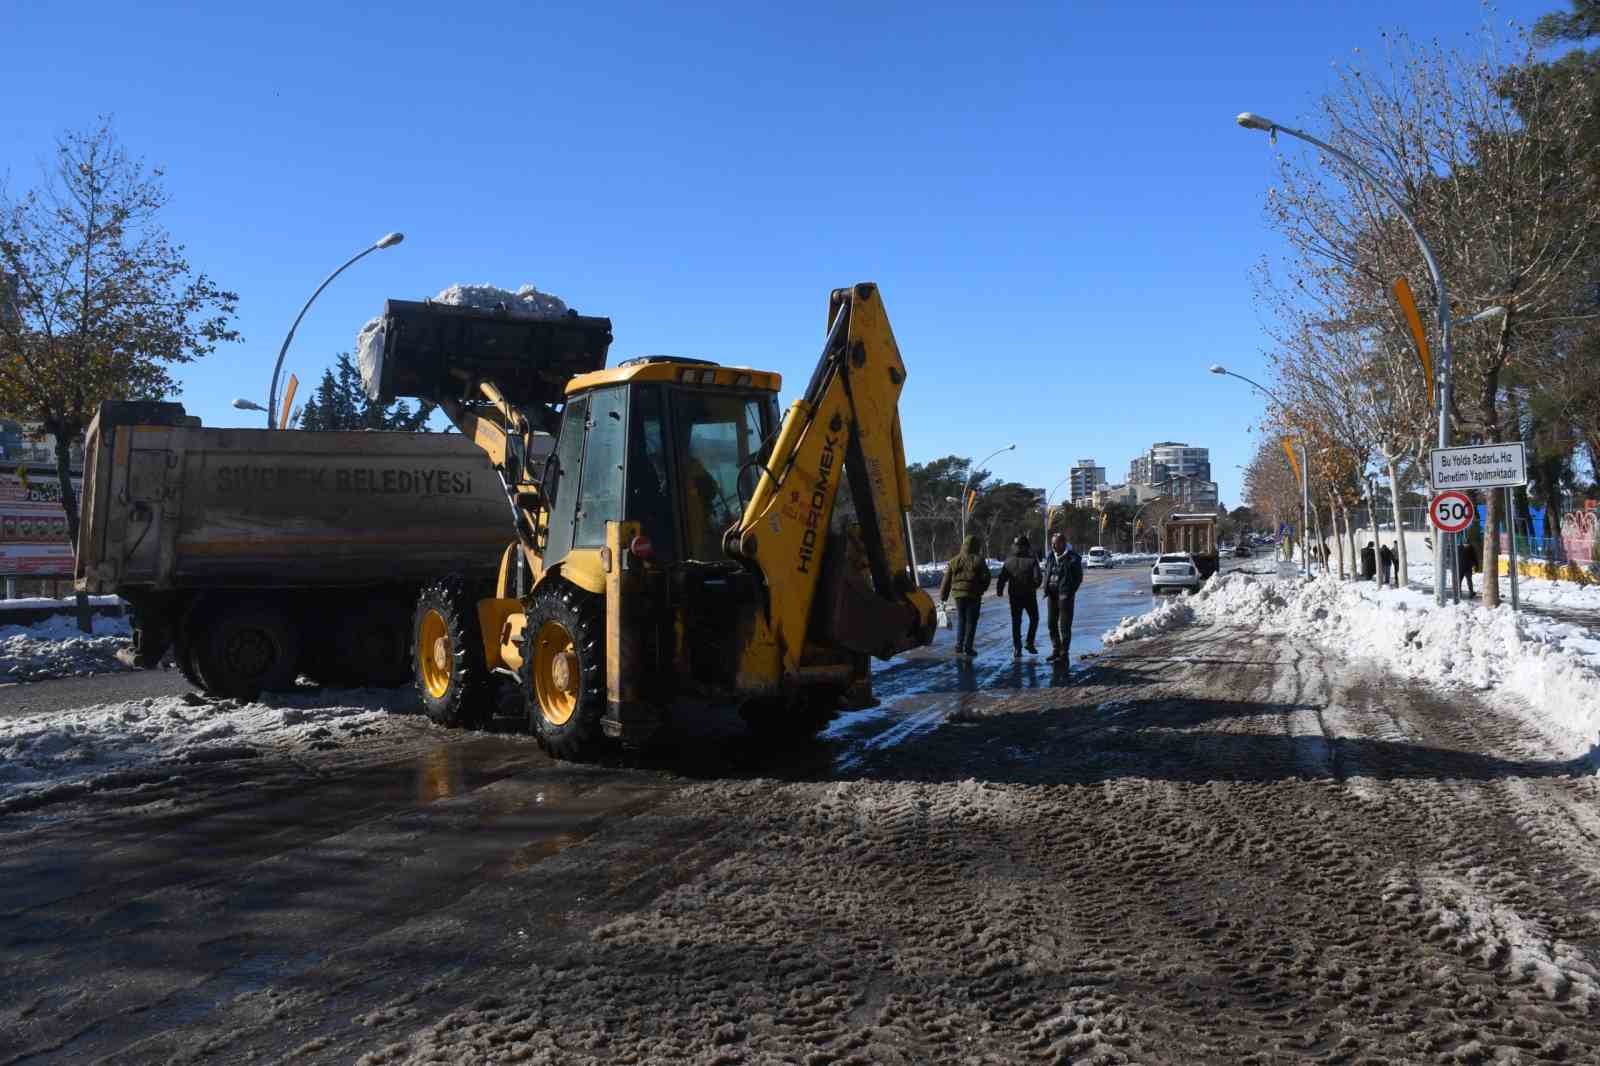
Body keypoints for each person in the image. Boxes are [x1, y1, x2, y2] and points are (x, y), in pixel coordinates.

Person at [939, 534, 991, 659]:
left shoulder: (954, 561)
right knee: (971, 622)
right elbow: (986, 577)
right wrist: (981, 589)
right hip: (973, 595)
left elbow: (946, 580)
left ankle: (958, 645)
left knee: (962, 620)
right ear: (976, 546)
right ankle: (968, 647)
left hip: (958, 595)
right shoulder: (979, 560)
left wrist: (943, 596)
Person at [994, 533, 1042, 659]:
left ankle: (1017, 648)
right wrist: (1033, 586)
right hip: (1029, 595)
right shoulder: (1032, 560)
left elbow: (1002, 578)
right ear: (1026, 546)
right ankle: (1029, 642)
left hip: (1014, 596)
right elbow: (1038, 579)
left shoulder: (1009, 561)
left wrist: (999, 590)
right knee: (1034, 618)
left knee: (1016, 622)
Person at [1042, 534, 1084, 665]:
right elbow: (1047, 572)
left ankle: (1064, 653)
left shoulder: (1073, 558)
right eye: (1052, 543)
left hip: (1065, 597)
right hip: (1052, 595)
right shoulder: (1050, 556)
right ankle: (1056, 649)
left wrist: (1070, 592)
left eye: (1056, 543)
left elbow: (1078, 578)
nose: (1053, 546)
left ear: (1063, 543)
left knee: (1064, 626)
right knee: (1051, 624)